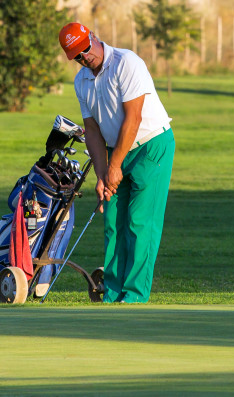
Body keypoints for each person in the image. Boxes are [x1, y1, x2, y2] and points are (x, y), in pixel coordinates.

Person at [59, 21, 174, 303]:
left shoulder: (127, 63)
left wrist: (114, 167)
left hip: (151, 147)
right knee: (112, 222)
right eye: (76, 55)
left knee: (139, 222)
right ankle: (111, 291)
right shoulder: (81, 81)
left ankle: (134, 294)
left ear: (93, 37)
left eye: (85, 49)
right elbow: (93, 131)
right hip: (115, 151)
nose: (84, 57)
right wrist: (102, 175)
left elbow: (133, 119)